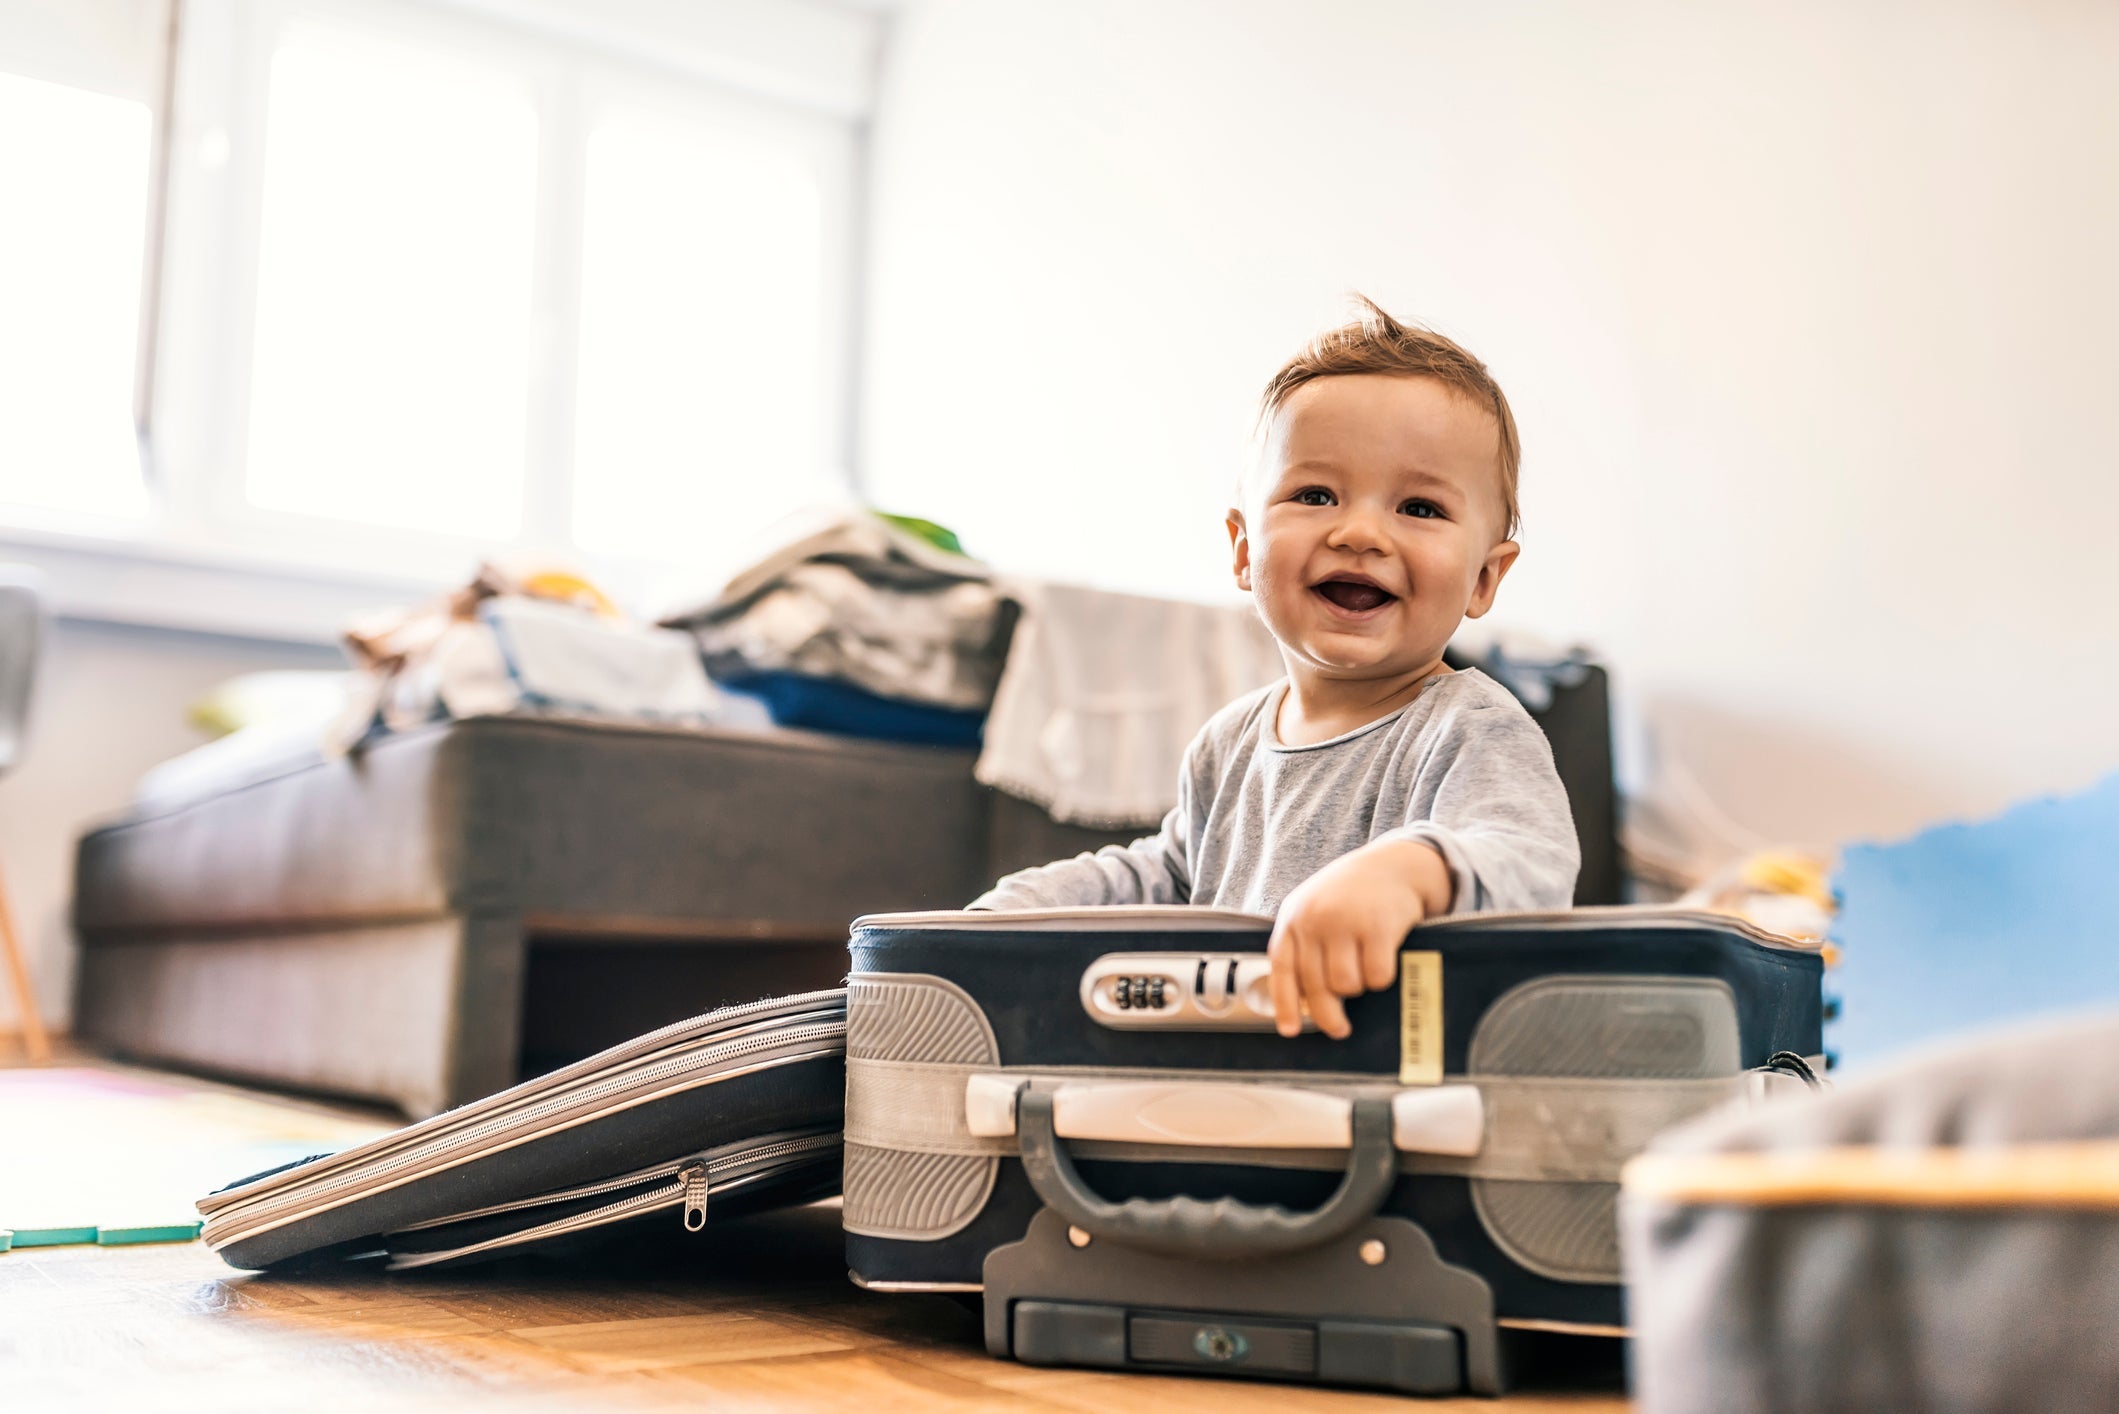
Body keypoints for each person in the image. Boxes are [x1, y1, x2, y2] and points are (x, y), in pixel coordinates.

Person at [970, 296, 1580, 1039]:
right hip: (1241, 1064)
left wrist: (1408, 872)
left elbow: (1528, 863)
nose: (1359, 533)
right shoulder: (1227, 742)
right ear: (1242, 549)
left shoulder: (1469, 728)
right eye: (1314, 494)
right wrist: (1023, 908)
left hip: (1398, 1086)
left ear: (1484, 579)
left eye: (1418, 508)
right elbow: (1166, 877)